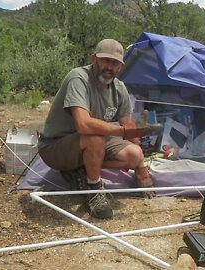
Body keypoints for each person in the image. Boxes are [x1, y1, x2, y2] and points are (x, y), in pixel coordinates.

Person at [38, 39, 157, 219]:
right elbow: (83, 124)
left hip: (90, 142)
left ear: (120, 67)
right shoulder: (78, 78)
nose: (109, 67)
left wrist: (140, 166)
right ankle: (94, 189)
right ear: (94, 59)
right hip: (55, 147)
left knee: (134, 154)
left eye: (114, 63)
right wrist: (123, 132)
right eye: (105, 61)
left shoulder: (120, 89)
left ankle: (80, 169)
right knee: (94, 136)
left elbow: (128, 125)